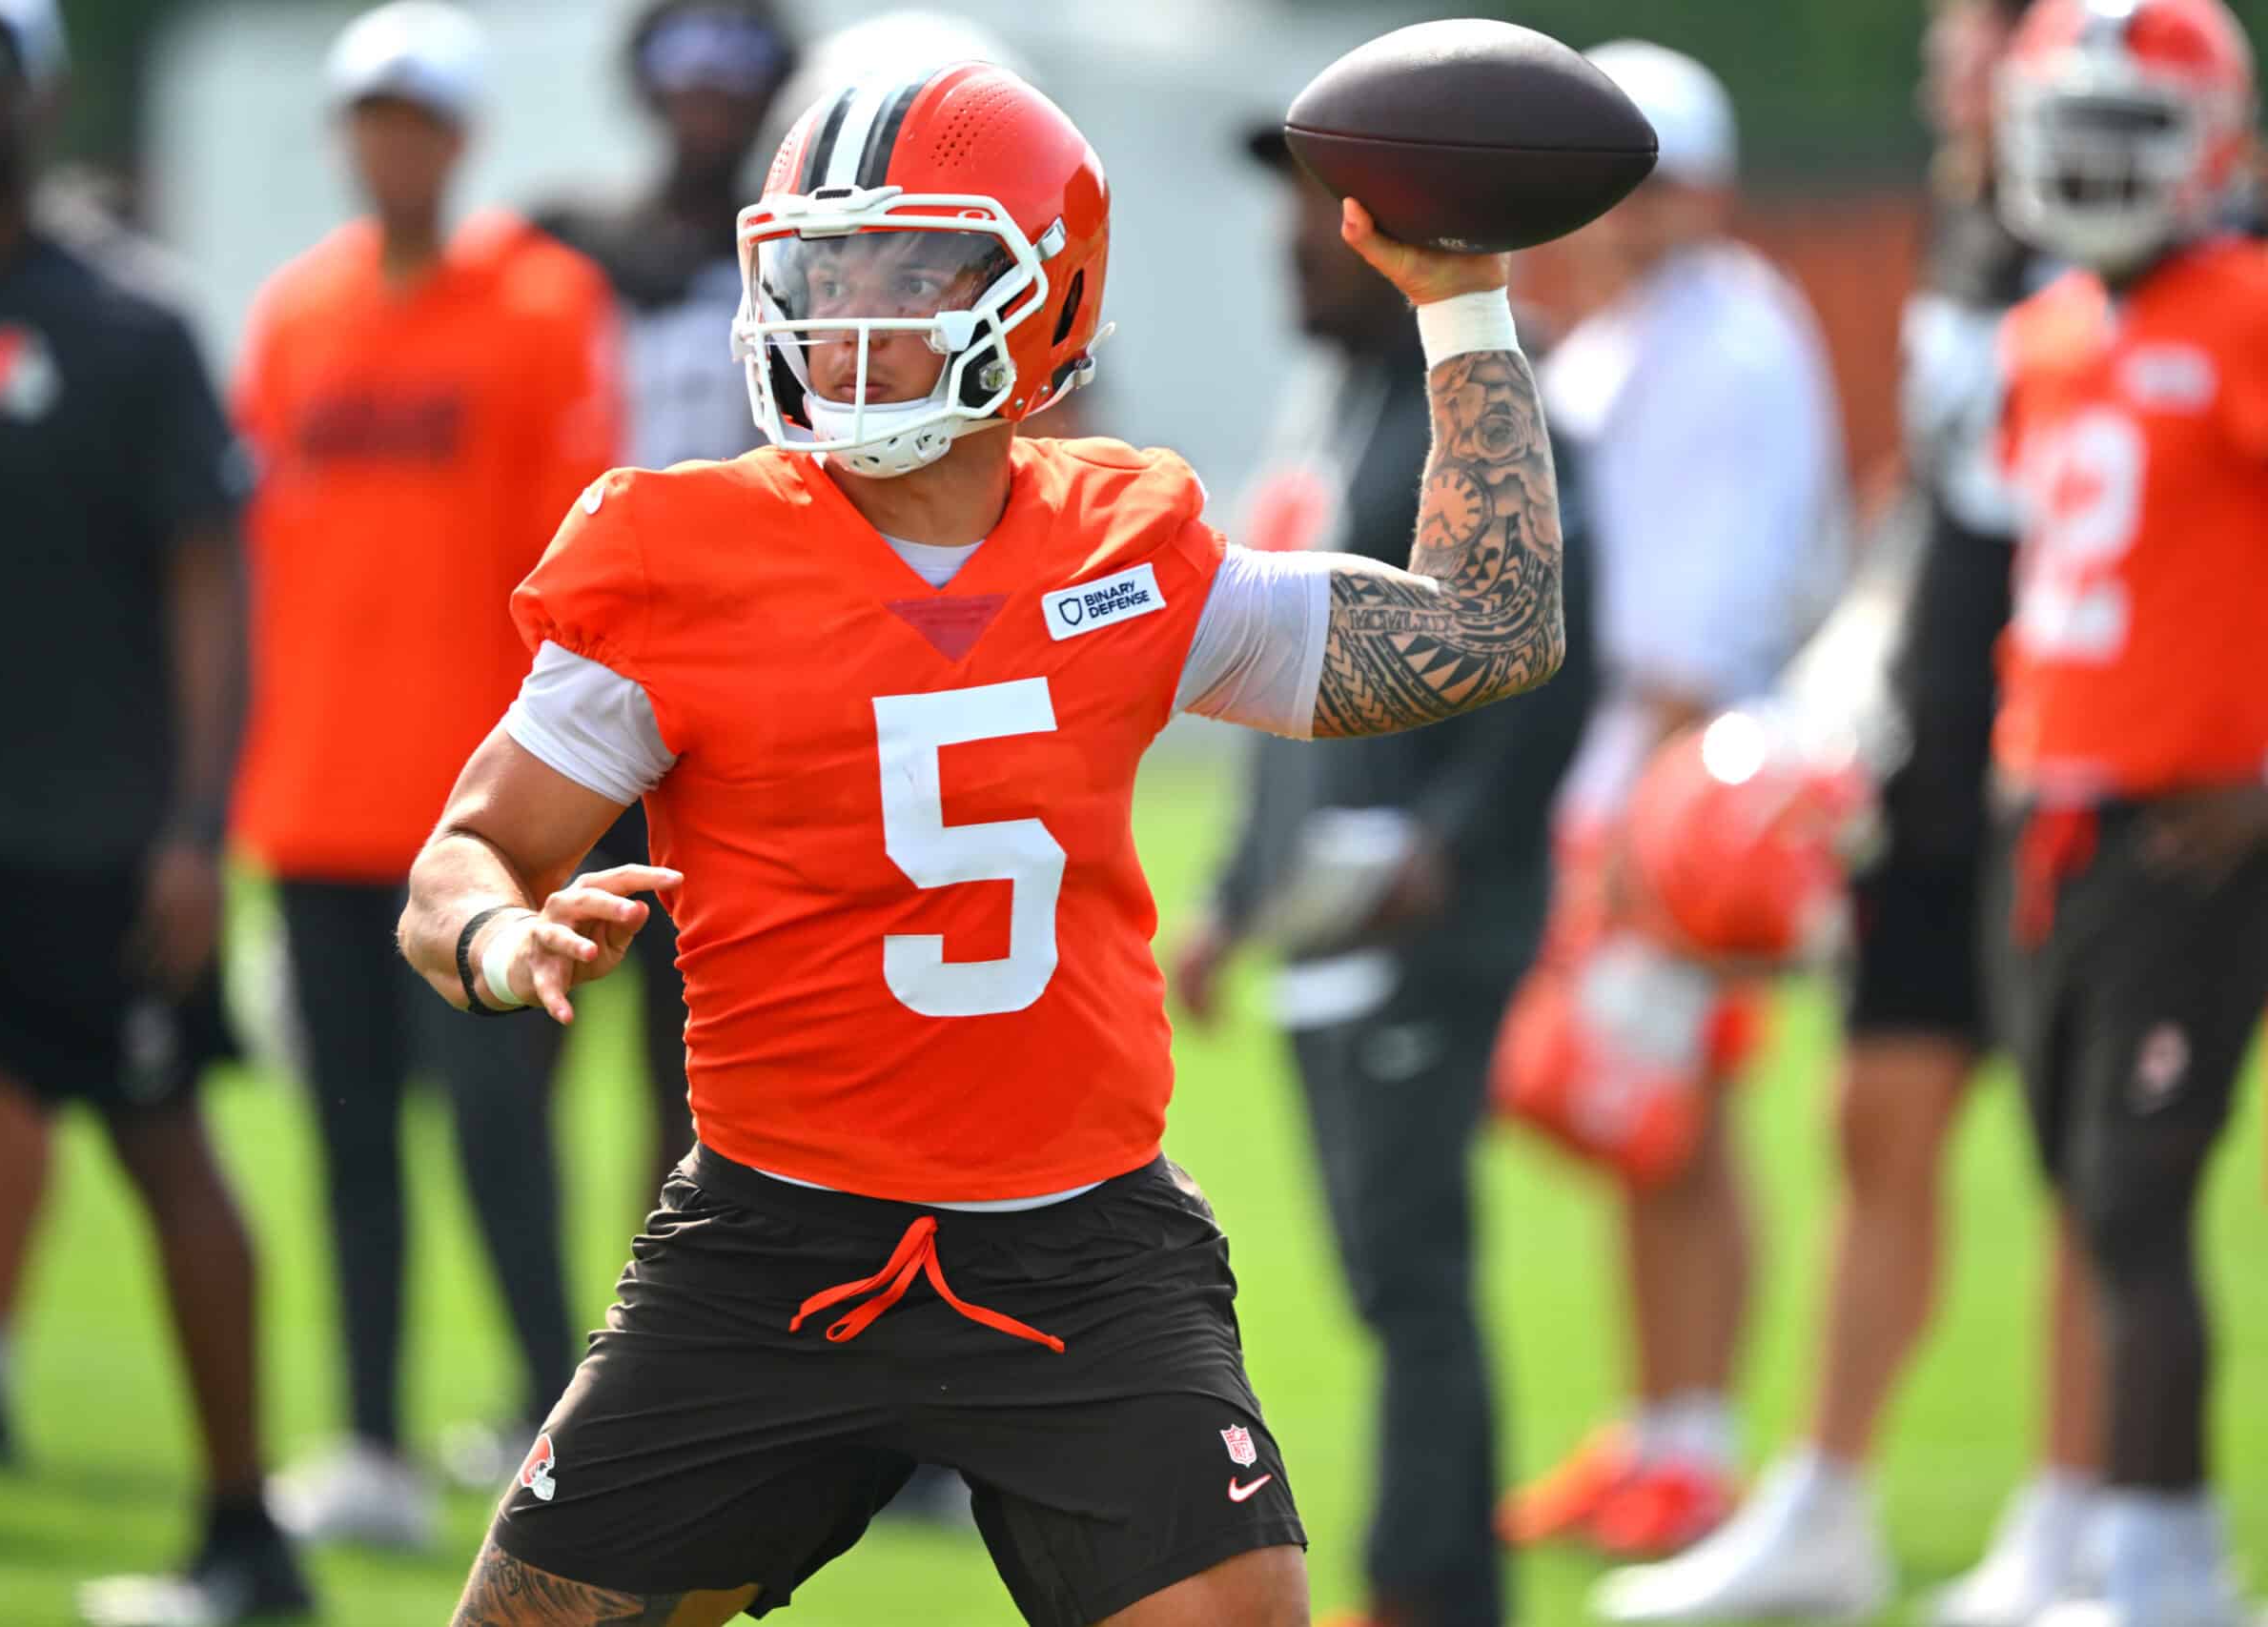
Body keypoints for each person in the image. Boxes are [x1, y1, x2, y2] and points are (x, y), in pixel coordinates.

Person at [397, 59, 1568, 1627]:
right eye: (824, 269)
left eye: (910, 268)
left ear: (1045, 293)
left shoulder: (1128, 544)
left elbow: (1489, 628)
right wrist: (497, 935)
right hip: (767, 1242)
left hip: (1081, 1251)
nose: (852, 313)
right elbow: (465, 852)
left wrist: (1464, 305)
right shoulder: (673, 554)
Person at [1589, 3, 2111, 1620]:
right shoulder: (1968, 232)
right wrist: (1847, 677)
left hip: (2077, 754)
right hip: (1927, 757)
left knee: (2096, 1165)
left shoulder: (2128, 232)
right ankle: (1825, 1501)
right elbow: (1935, 497)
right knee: (1870, 1119)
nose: (1942, 68)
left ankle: (2091, 1518)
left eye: (1978, 37)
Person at [0, 3, 313, 1622]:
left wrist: (193, 823)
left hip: (77, 836)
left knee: (165, 1147)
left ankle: (248, 1531)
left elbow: (207, 576)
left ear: (35, 97)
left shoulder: (126, 322)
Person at [1166, 119, 1594, 1627]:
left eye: (1315, 214)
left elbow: (1553, 653)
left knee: (1413, 1277)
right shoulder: (1333, 397)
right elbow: (1278, 694)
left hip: (1419, 918)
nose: (1288, 242)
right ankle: (1430, 1577)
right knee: (1378, 1275)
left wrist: (1447, 845)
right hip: (1316, 917)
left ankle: (1431, 1588)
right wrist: (1228, 893)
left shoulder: (1481, 396)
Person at [232, 0, 622, 1549]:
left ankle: (553, 1427)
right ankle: (373, 1441)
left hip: (475, 825)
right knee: (344, 1145)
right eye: (371, 115)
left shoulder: (540, 304)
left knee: (496, 1135)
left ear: (460, 139)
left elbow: (571, 567)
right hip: (314, 803)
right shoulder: (295, 313)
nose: (393, 143)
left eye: (419, 117)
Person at [1491, 39, 1849, 1563]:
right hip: (1626, 769)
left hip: (1685, 786)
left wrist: (1649, 826)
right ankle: (1657, 1427)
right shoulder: (1636, 332)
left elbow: (1699, 623)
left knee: (1673, 1119)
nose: (1610, 221)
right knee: (1640, 1125)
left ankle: (1694, 1449)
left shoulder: (1730, 343)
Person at [1974, 1, 2268, 1620]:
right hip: (2055, 818)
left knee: (2139, 1199)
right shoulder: (2050, 324)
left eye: (2128, 125)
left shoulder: (2243, 307)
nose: (2090, 158)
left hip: (2188, 828)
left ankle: (2175, 1567)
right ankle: (2113, 1541)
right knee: (2084, 1195)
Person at [529, 0, 795, 1208]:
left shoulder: (800, 252)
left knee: (695, 1062)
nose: (704, 98)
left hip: (739, 691)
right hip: (578, 664)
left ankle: (668, 1333)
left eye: (728, 76)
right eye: (682, 74)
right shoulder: (566, 251)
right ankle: (544, 1363)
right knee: (522, 1027)